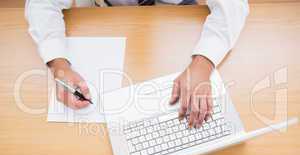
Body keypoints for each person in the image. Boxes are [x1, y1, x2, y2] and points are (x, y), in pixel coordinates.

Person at [25, 0, 249, 127]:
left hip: (177, 22)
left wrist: (203, 64)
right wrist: (59, 65)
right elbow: (40, 4)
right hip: (109, 18)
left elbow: (234, 4)